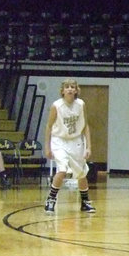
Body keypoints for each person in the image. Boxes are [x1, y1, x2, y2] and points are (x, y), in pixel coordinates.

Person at [44, 78, 96, 213]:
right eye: (67, 87)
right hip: (59, 140)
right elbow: (49, 126)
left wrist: (88, 146)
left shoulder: (81, 104)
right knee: (62, 170)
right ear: (62, 91)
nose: (70, 89)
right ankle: (51, 199)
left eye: (73, 87)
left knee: (81, 173)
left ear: (76, 90)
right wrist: (47, 147)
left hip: (76, 141)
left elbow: (85, 126)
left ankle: (85, 201)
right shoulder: (56, 106)